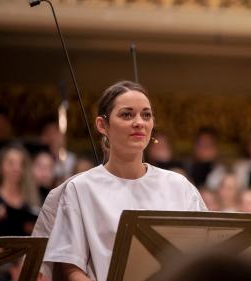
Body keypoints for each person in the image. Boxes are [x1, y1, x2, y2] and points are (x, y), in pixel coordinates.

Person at [40, 81, 207, 281]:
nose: (139, 122)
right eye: (127, 114)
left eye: (146, 115)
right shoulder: (81, 188)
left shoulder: (179, 186)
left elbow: (204, 256)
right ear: (102, 125)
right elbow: (71, 270)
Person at [0, 143, 40, 237]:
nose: (16, 168)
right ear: (1, 166)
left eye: (21, 164)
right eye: (11, 163)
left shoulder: (30, 201)